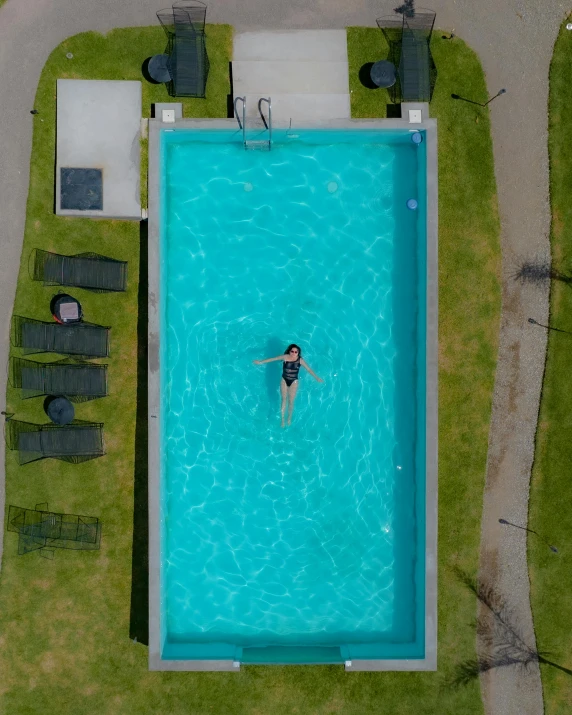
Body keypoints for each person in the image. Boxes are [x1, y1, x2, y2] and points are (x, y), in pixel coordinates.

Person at [253, 344, 323, 427]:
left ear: (298, 353)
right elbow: (273, 359)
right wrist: (260, 362)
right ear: (289, 351)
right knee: (284, 399)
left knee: (291, 401)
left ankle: (289, 418)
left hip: (294, 382)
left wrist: (316, 378)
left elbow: (308, 369)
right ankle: (282, 419)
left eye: (295, 352)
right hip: (284, 380)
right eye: (292, 351)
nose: (293, 353)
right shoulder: (285, 357)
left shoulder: (300, 360)